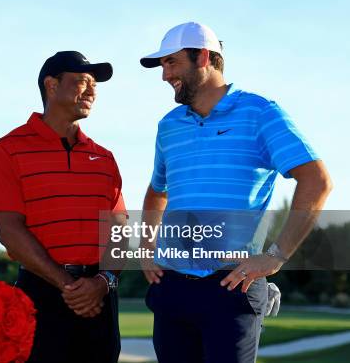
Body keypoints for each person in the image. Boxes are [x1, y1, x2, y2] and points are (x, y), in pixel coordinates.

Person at [138, 22, 332, 363]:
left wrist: (275, 256)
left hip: (231, 288)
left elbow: (317, 180)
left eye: (171, 63)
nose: (165, 75)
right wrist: (145, 249)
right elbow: (157, 192)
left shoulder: (260, 112)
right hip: (172, 288)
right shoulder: (168, 125)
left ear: (203, 57)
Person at [0, 51, 127, 363]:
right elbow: (9, 230)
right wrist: (70, 286)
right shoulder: (8, 149)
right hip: (41, 294)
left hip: (100, 298)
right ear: (51, 85)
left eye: (95, 85)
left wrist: (102, 284)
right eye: (82, 82)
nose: (91, 91)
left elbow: (120, 233)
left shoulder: (105, 158)